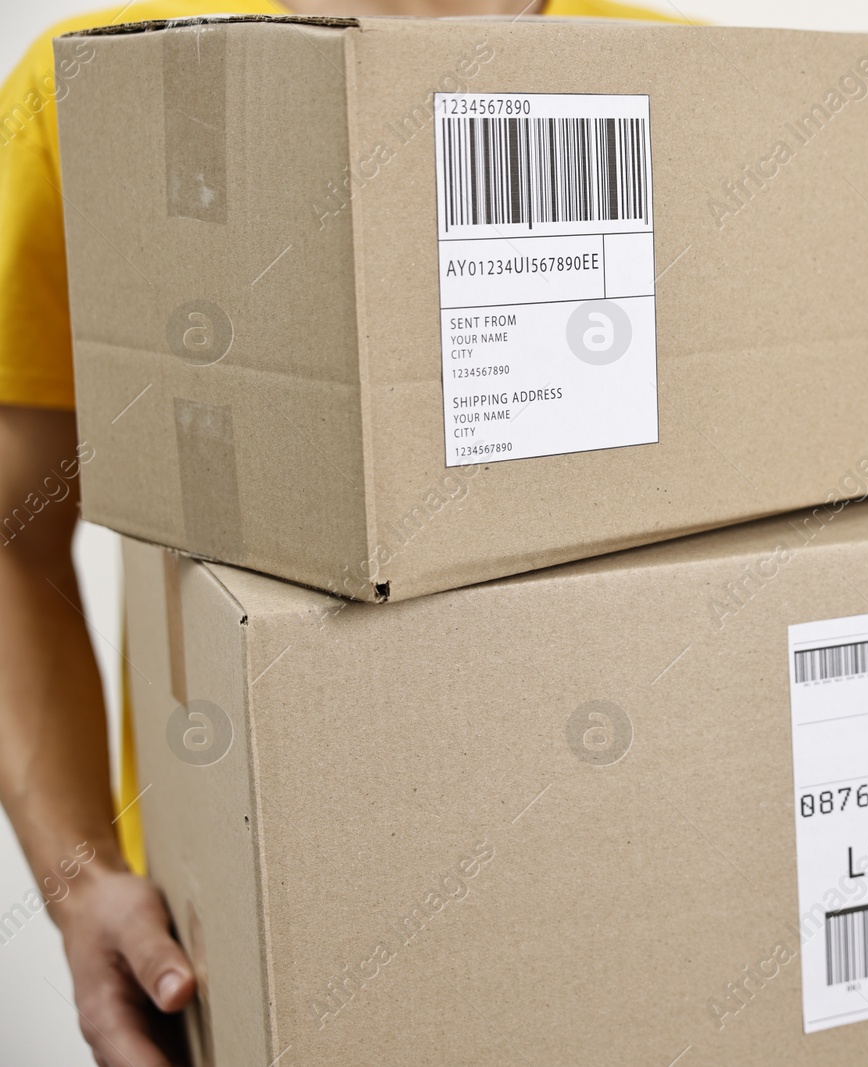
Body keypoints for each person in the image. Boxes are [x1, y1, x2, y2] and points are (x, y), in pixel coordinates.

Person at [0, 1, 675, 1064]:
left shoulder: (682, 77)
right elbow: (8, 531)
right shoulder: (98, 88)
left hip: (634, 935)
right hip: (240, 964)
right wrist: (79, 883)